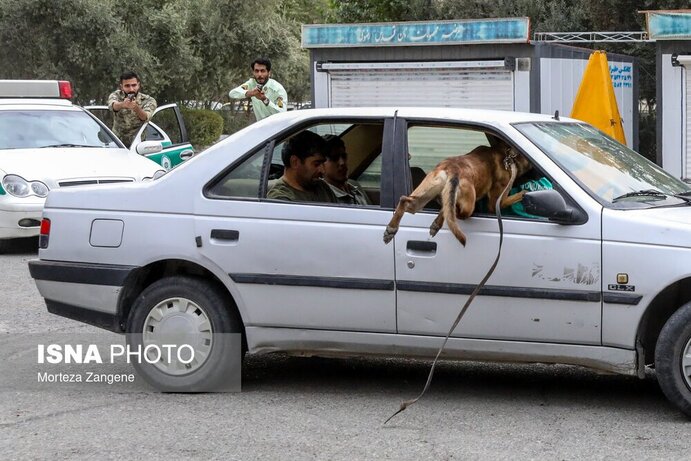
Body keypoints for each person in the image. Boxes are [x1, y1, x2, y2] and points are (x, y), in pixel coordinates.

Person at [267, 131, 337, 203]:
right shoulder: (280, 200)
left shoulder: (322, 187)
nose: (323, 170)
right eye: (316, 164)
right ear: (295, 162)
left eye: (323, 163)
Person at [107, 71, 157, 148]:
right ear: (121, 87)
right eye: (127, 86)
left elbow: (145, 117)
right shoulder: (116, 95)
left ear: (138, 85)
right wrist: (122, 105)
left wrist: (136, 107)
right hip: (117, 143)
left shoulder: (148, 100)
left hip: (138, 145)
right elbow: (112, 106)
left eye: (134, 85)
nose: (131, 89)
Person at [322, 135, 370, 205]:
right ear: (321, 164)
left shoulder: (354, 188)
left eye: (344, 156)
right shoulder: (325, 198)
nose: (342, 163)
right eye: (334, 158)